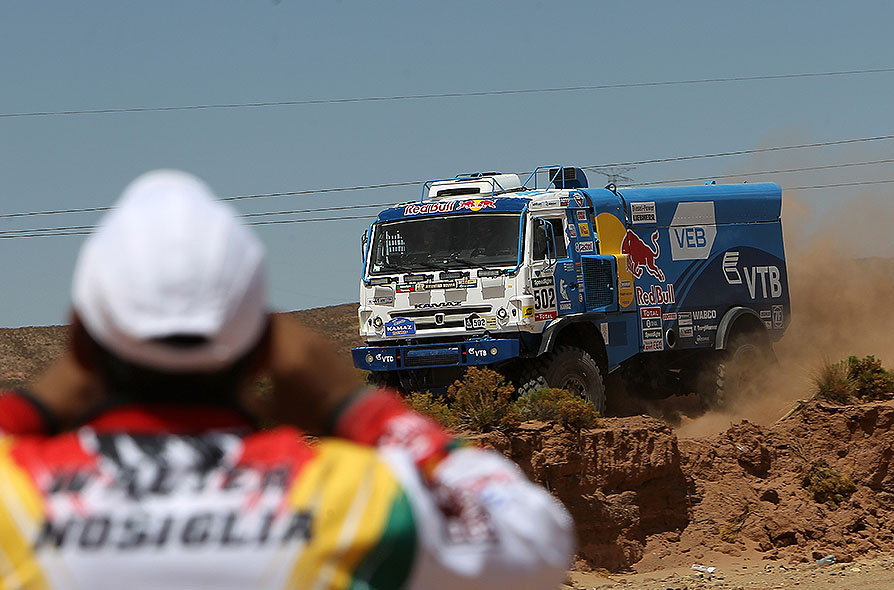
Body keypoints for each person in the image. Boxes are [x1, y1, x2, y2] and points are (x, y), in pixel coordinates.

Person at [0, 170, 573, 590]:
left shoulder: (17, 500)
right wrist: (354, 406)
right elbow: (534, 535)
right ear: (261, 348)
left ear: (80, 344)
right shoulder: (351, 501)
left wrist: (40, 401)